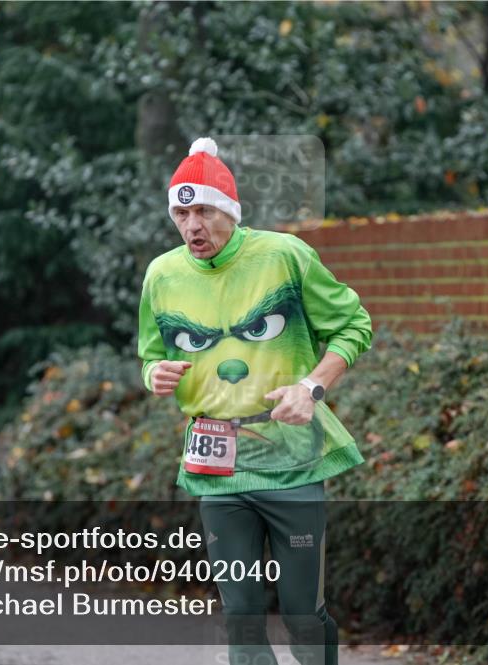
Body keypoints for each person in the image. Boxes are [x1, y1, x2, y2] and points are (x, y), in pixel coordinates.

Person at [137, 137, 373, 665]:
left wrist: (311, 388)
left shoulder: (284, 256)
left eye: (202, 211)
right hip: (214, 458)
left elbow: (353, 325)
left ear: (229, 211)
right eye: (181, 212)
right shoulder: (162, 275)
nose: (192, 225)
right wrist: (155, 371)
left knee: (301, 615)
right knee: (240, 615)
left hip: (291, 456)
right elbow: (150, 351)